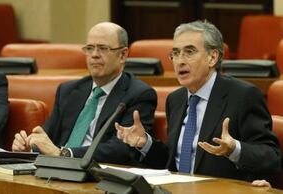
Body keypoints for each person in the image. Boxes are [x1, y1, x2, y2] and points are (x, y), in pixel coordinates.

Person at [116, 20, 281, 180]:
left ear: (212, 57)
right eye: (175, 53)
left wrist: (234, 149)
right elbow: (172, 161)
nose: (180, 60)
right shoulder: (176, 99)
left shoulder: (243, 96)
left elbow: (271, 157)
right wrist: (145, 143)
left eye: (189, 52)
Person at [12, 22, 157, 165]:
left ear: (123, 55)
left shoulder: (139, 94)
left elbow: (121, 150)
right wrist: (30, 146)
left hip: (97, 176)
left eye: (103, 48)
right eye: (89, 48)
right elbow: (47, 136)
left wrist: (65, 154)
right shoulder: (68, 91)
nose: (94, 55)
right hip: (56, 172)